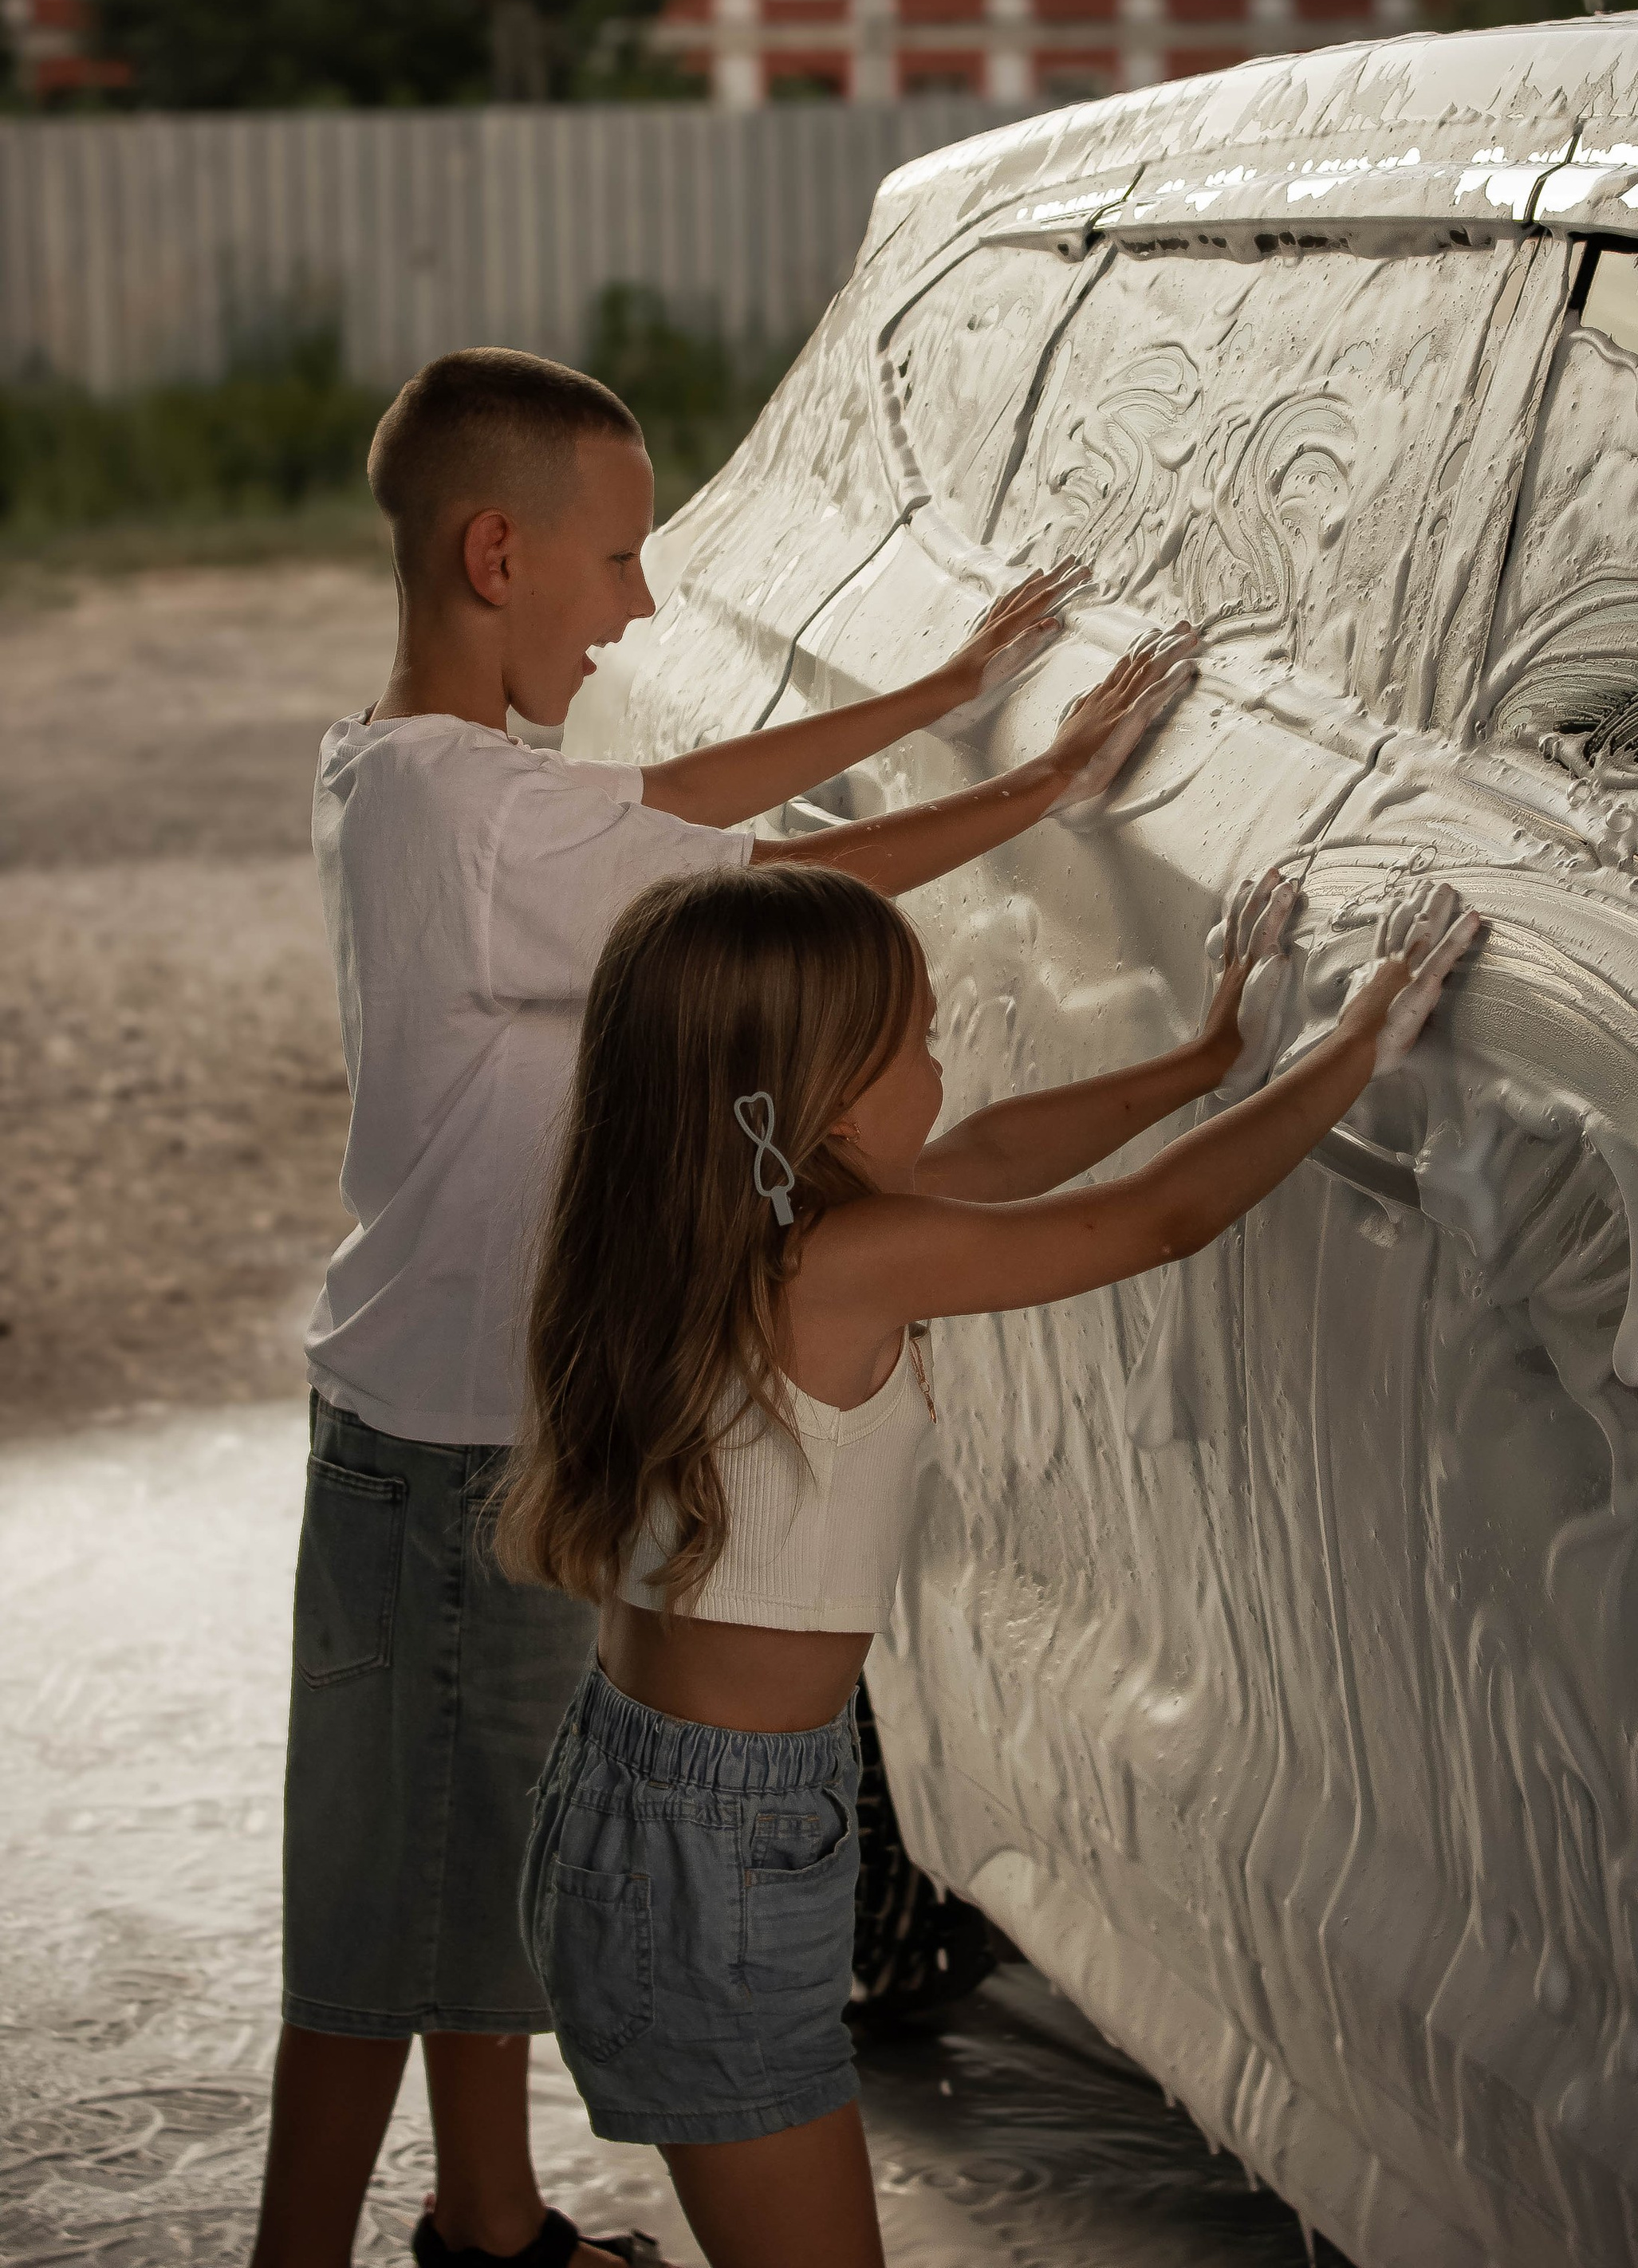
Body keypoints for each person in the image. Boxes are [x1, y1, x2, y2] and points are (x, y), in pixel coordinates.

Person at [251, 346, 1194, 2268]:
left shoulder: (419, 774)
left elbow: (666, 805)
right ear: (494, 554)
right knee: (383, 1918)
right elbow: (765, 878)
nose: (646, 601)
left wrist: (936, 697)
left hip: (435, 1423)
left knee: (458, 1864)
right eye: (616, 559)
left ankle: (490, 2225)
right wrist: (1024, 780)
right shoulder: (479, 819)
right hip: (450, 1445)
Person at [497, 858, 1482, 2268]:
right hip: (715, 1855)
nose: (942, 1068)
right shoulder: (842, 1259)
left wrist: (1206, 1059)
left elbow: (997, 1157)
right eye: (919, 1043)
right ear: (823, 1099)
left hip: (647, 1806)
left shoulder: (725, 1226)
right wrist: (1346, 1055)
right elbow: (1155, 1224)